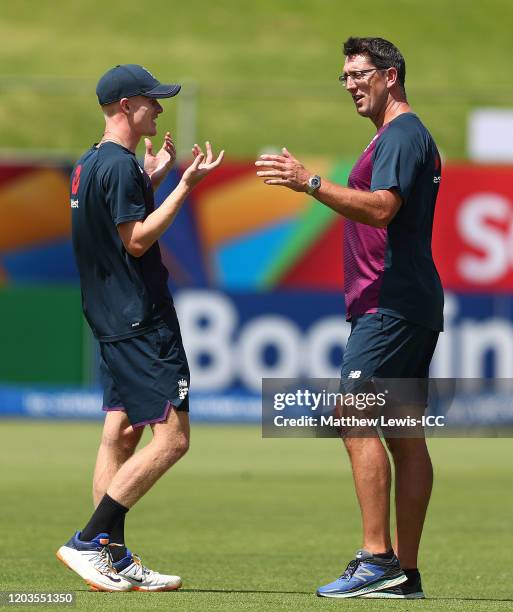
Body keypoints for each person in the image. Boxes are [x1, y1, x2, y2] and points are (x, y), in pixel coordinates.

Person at [256, 37, 443, 599]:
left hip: (390, 305)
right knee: (404, 436)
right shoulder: (400, 135)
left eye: (359, 74)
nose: (351, 85)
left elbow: (384, 208)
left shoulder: (403, 133)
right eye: (344, 77)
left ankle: (377, 558)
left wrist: (310, 182)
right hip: (403, 304)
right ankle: (404, 574)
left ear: (390, 75)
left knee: (351, 415)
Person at [56, 64, 224, 592]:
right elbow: (136, 240)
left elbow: (111, 221)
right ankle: (90, 541)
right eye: (152, 100)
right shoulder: (121, 166)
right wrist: (184, 186)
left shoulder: (91, 163)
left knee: (121, 432)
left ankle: (113, 556)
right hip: (140, 319)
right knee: (173, 439)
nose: (160, 107)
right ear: (127, 106)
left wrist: (152, 177)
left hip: (108, 318)